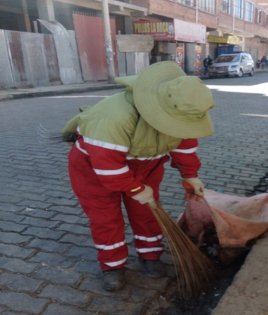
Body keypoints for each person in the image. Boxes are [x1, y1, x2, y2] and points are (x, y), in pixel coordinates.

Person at [62, 61, 215, 292]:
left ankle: (150, 256)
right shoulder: (113, 117)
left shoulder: (182, 112)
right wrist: (136, 190)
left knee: (147, 212)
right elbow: (110, 170)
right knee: (106, 218)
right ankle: (113, 266)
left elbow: (184, 145)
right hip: (93, 170)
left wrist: (190, 175)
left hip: (146, 165)